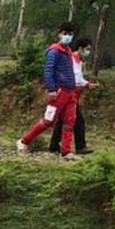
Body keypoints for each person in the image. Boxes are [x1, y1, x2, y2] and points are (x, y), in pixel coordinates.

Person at [17, 21, 79, 160]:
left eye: (70, 34)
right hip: (59, 91)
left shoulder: (68, 51)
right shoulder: (54, 51)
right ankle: (24, 141)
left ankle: (66, 151)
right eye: (65, 34)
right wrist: (51, 89)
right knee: (48, 120)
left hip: (70, 91)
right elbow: (48, 71)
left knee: (70, 122)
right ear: (59, 34)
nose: (67, 36)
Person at [50, 37, 97, 155]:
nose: (88, 52)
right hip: (68, 92)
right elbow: (74, 78)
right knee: (78, 120)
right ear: (80, 48)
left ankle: (54, 145)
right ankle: (80, 146)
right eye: (87, 49)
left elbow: (79, 78)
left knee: (63, 120)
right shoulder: (71, 59)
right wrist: (85, 84)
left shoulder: (78, 61)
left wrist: (87, 84)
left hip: (73, 92)